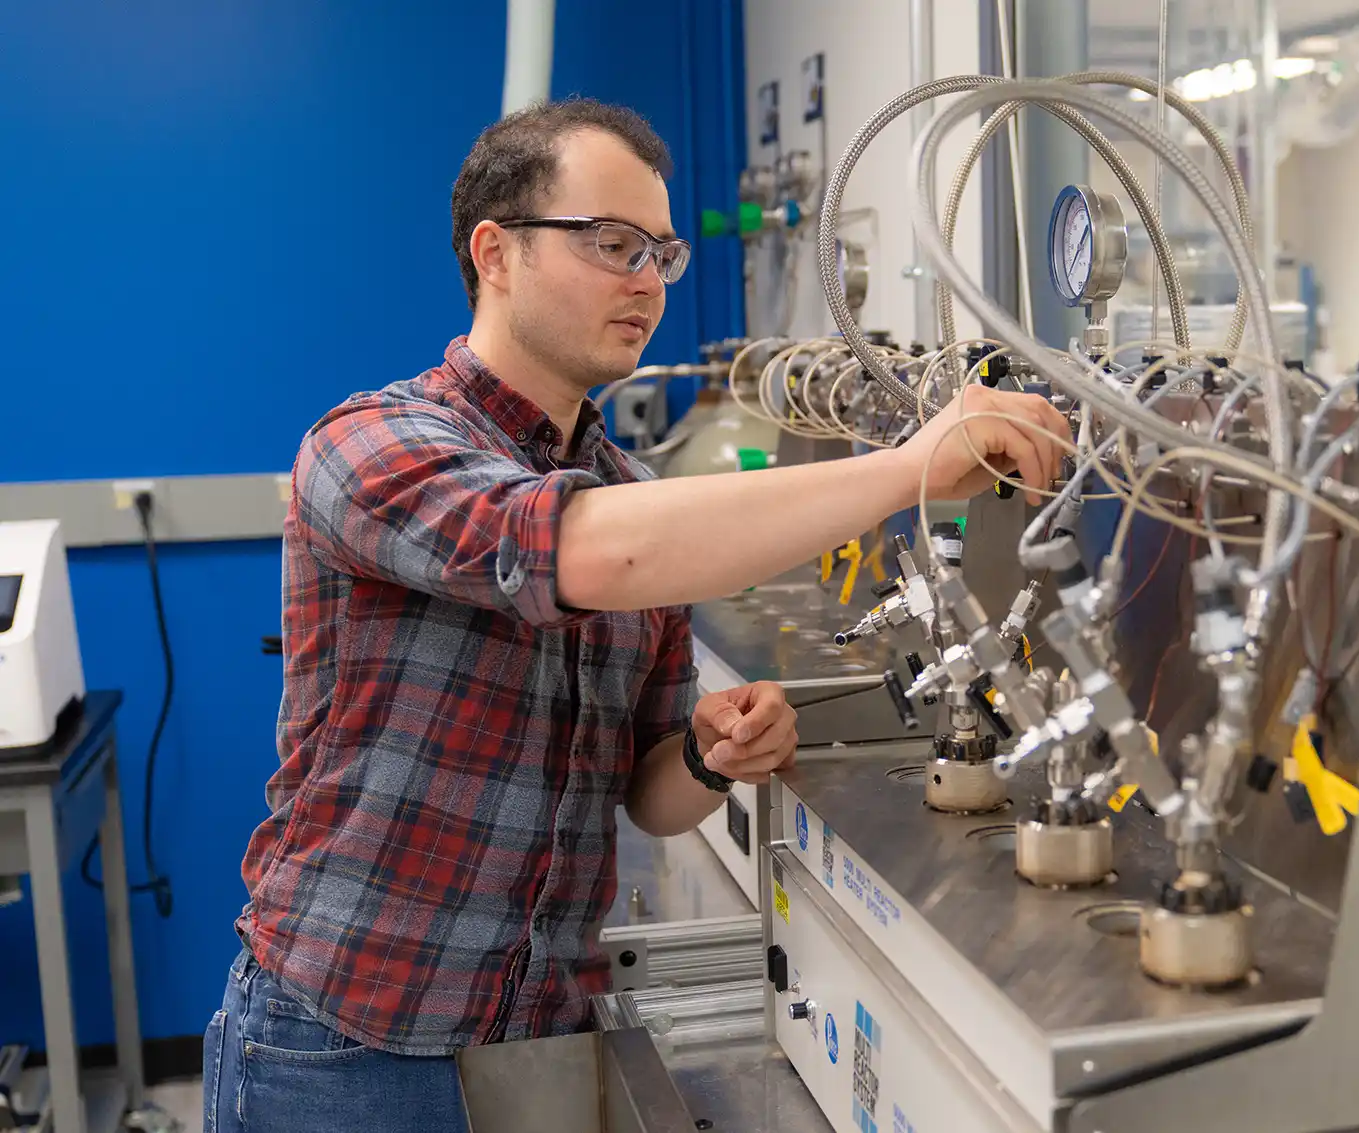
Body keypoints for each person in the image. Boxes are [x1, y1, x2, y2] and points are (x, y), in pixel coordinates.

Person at [202, 98, 1068, 1132]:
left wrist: (710, 753)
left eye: (659, 252)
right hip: (346, 1044)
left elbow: (645, 792)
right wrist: (907, 467)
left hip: (539, 1037)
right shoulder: (373, 444)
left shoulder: (627, 483)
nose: (647, 281)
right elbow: (585, 547)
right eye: (612, 244)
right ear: (496, 253)